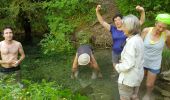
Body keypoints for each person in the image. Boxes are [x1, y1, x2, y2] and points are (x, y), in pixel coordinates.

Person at [114, 15, 144, 100]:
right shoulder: (139, 39)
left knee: (124, 98)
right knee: (134, 96)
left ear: (129, 27)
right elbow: (137, 58)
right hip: (137, 76)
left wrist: (117, 66)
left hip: (128, 79)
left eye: (124, 26)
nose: (122, 28)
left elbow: (128, 65)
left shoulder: (131, 42)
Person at [141, 14, 170, 100]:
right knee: (139, 79)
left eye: (164, 28)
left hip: (155, 62)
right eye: (159, 26)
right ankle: (138, 91)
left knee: (149, 84)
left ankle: (148, 94)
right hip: (142, 61)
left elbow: (169, 47)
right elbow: (138, 45)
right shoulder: (146, 31)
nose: (161, 29)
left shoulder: (167, 35)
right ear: (155, 23)